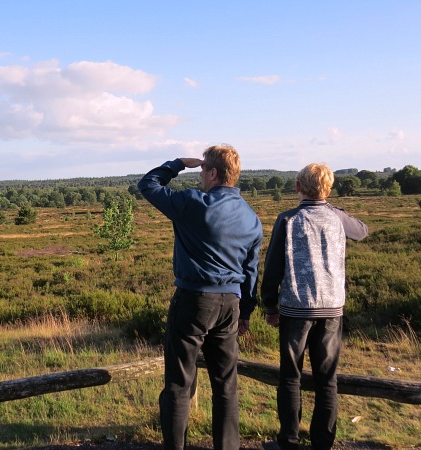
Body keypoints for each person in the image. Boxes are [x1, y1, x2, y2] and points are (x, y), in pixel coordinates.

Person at [138, 144, 263, 450]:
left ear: (212, 173)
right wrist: (245, 312)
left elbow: (148, 184)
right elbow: (251, 271)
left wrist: (178, 163)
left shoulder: (193, 203)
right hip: (230, 304)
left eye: (203, 170)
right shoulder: (250, 217)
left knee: (179, 384)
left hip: (194, 299)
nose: (201, 177)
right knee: (225, 385)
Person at [261, 163, 369, 450]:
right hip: (332, 308)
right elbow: (362, 230)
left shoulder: (288, 219)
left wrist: (269, 306)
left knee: (290, 377)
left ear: (297, 186)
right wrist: (334, 208)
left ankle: (289, 440)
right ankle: (323, 443)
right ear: (329, 188)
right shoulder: (337, 217)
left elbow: (272, 267)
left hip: (295, 309)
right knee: (326, 379)